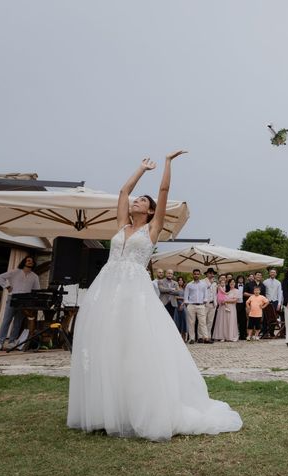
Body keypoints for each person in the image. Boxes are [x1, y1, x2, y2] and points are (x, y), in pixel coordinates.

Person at [67, 151, 242, 441]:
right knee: (107, 343)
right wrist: (141, 169)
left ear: (149, 211)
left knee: (135, 344)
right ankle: (109, 408)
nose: (136, 201)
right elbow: (123, 191)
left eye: (142, 201)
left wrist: (167, 164)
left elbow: (163, 192)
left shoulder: (153, 228)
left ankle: (140, 407)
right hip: (108, 286)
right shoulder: (122, 225)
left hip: (135, 291)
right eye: (137, 200)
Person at [0, 256, 40, 350]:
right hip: (13, 298)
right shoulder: (15, 272)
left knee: (18, 322)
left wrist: (32, 300)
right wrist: (7, 286)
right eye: (28, 260)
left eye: (31, 261)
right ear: (24, 262)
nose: (30, 262)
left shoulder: (35, 276)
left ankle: (12, 341)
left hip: (24, 301)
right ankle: (0, 342)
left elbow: (36, 290)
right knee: (6, 320)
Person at [212, 277, 239, 342]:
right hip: (222, 308)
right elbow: (220, 296)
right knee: (222, 321)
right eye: (230, 282)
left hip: (231, 308)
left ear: (235, 283)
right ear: (228, 283)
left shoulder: (236, 291)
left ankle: (230, 336)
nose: (232, 283)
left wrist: (226, 301)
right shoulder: (225, 290)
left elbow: (235, 300)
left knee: (230, 321)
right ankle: (222, 336)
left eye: (233, 282)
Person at [198, 267, 218, 343]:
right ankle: (200, 337)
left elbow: (215, 294)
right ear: (206, 274)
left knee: (210, 321)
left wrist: (216, 302)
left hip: (213, 304)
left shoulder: (215, 283)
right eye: (210, 273)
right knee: (202, 321)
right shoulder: (202, 281)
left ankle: (208, 336)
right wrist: (210, 283)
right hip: (204, 304)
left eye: (212, 273)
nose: (211, 274)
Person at [262, 269, 283, 338]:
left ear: (276, 274)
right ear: (269, 273)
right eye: (271, 272)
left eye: (274, 272)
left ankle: (271, 333)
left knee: (274, 317)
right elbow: (263, 292)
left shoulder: (278, 283)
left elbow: (280, 293)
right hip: (266, 301)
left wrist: (279, 303)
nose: (273, 273)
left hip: (275, 301)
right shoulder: (265, 282)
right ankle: (265, 333)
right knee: (265, 317)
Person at [173, 276, 188, 342]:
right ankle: (178, 339)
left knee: (184, 321)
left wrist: (183, 303)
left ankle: (184, 338)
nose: (180, 281)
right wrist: (183, 298)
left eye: (181, 280)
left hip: (183, 306)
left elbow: (187, 297)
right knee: (177, 321)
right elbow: (174, 297)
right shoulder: (175, 288)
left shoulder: (185, 289)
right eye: (179, 280)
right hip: (176, 306)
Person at [235, 275, 248, 340]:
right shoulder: (234, 286)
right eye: (239, 278)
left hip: (243, 304)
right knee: (235, 320)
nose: (241, 279)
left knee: (243, 321)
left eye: (242, 278)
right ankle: (235, 335)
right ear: (237, 279)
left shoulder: (246, 286)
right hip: (235, 304)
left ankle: (243, 335)